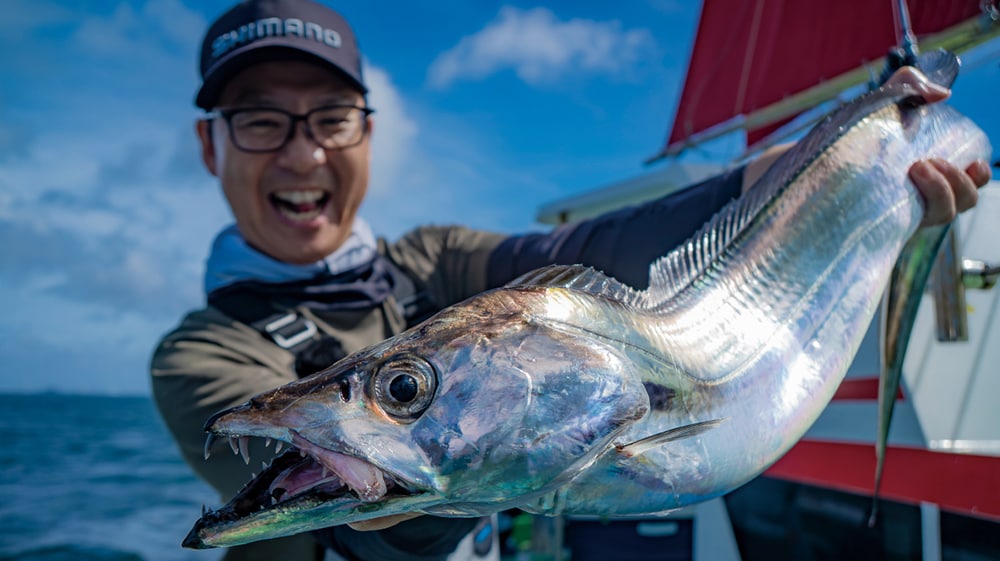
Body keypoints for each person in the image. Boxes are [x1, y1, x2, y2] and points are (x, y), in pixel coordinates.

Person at [149, 1, 992, 560]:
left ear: (367, 134)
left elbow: (605, 245)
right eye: (259, 120)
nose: (303, 153)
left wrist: (841, 151)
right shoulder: (199, 355)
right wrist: (445, 463)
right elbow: (369, 541)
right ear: (209, 146)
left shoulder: (433, 260)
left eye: (331, 118)